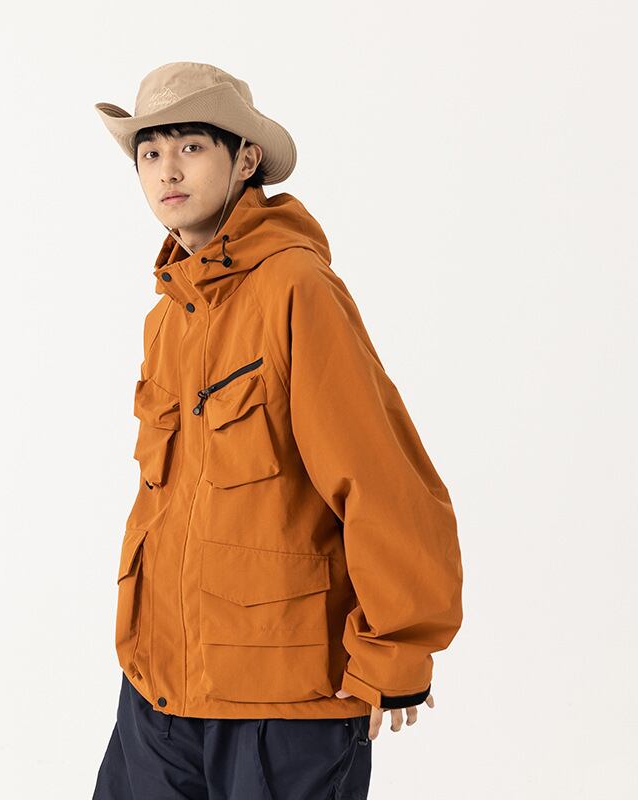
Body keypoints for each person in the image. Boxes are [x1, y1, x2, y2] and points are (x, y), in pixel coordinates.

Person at [90, 61, 464, 799]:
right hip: (159, 694)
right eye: (149, 152)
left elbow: (380, 475)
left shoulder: (296, 288)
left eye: (191, 146)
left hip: (282, 702)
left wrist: (396, 648)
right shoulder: (166, 317)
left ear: (246, 160)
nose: (167, 170)